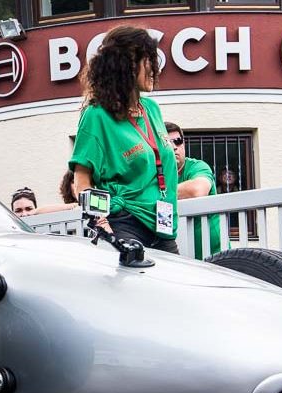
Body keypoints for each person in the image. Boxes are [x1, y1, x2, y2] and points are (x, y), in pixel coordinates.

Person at [70, 25, 178, 254]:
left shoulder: (151, 109)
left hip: (162, 226)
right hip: (124, 223)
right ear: (126, 64)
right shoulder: (96, 115)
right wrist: (102, 223)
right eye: (148, 59)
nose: (154, 68)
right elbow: (82, 181)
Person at [166, 123, 224, 260]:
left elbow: (197, 190)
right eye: (167, 143)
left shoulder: (197, 166)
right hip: (179, 260)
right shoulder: (154, 174)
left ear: (184, 144)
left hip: (217, 256)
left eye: (178, 141)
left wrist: (157, 193)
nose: (174, 147)